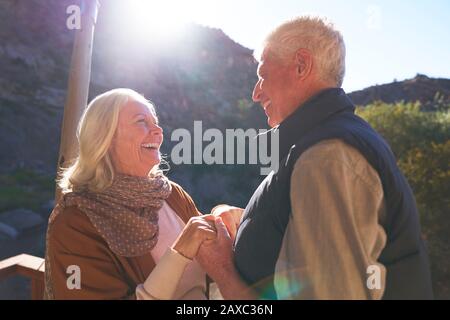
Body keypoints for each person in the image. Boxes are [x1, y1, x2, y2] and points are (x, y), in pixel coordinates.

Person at [196, 16, 433, 300]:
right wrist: (250, 222)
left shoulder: (326, 157)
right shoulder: (321, 146)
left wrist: (223, 270)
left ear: (301, 65)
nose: (256, 93)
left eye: (263, 75)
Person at [44, 88, 217, 300]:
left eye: (155, 122)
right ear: (104, 138)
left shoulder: (171, 194)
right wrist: (179, 254)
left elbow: (213, 267)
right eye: (141, 121)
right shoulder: (74, 225)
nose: (158, 131)